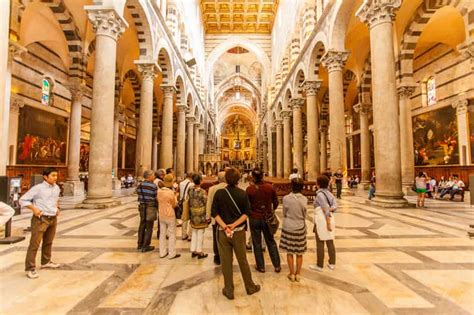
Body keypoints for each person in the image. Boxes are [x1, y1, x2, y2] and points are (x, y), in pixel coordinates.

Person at [212, 168, 260, 300]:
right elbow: (246, 214)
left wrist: (225, 226)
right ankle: (250, 287)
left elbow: (214, 213)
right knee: (242, 260)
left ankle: (228, 290)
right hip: (238, 232)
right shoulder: (242, 193)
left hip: (223, 232)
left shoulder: (219, 193)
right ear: (238, 180)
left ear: (226, 179)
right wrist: (233, 225)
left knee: (226, 262)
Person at [20, 167, 61, 279]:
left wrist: (57, 207)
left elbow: (55, 199)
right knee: (35, 244)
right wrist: (34, 209)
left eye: (56, 176)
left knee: (48, 241)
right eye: (53, 176)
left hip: (53, 218)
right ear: (45, 177)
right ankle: (30, 268)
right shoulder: (38, 188)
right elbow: (23, 200)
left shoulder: (56, 187)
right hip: (40, 218)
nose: (55, 178)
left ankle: (46, 262)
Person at [246, 168, 281, 273]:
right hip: (267, 218)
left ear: (253, 177)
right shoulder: (270, 188)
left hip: (254, 219)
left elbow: (247, 206)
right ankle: (277, 265)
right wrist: (270, 211)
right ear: (262, 176)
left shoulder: (249, 189)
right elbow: (276, 202)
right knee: (270, 241)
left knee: (256, 243)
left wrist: (251, 213)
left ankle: (261, 266)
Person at [280, 178, 307, 282]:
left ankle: (291, 274)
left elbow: (284, 213)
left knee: (290, 251)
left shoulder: (286, 198)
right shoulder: (304, 199)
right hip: (300, 226)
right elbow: (304, 214)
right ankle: (298, 274)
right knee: (299, 252)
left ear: (291, 186)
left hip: (288, 226)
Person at [309, 175, 337, 272]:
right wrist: (330, 210)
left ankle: (319, 265)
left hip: (323, 220)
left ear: (318, 184)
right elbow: (335, 206)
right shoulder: (329, 193)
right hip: (330, 218)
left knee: (320, 242)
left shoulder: (320, 194)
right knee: (330, 241)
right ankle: (332, 263)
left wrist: (328, 222)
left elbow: (325, 209)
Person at [206, 171, 227, 265]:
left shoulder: (212, 188)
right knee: (227, 237)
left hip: (216, 218)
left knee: (216, 237)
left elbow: (209, 203)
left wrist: (208, 216)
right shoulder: (229, 187)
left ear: (218, 179)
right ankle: (226, 256)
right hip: (228, 218)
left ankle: (217, 256)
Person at [157, 174, 181, 259]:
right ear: (171, 182)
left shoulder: (159, 191)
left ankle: (162, 252)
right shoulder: (170, 192)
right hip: (170, 215)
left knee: (162, 234)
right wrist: (176, 197)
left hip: (161, 214)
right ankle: (172, 253)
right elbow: (174, 204)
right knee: (171, 234)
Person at [186, 174, 209, 259]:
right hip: (200, 214)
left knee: (194, 231)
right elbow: (206, 202)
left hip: (193, 213)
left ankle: (193, 250)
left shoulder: (190, 190)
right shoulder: (202, 192)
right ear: (200, 181)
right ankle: (199, 251)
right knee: (200, 233)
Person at [136, 170, 158, 252]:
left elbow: (138, 193)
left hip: (142, 206)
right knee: (149, 227)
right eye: (153, 175)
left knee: (142, 225)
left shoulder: (140, 185)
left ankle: (139, 244)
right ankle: (146, 245)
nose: (154, 177)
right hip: (150, 207)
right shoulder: (153, 186)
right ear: (149, 176)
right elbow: (156, 197)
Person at [179, 172, 194, 241]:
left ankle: (183, 234)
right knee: (191, 218)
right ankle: (190, 235)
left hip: (183, 202)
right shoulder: (192, 184)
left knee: (184, 219)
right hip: (190, 202)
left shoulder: (181, 183)